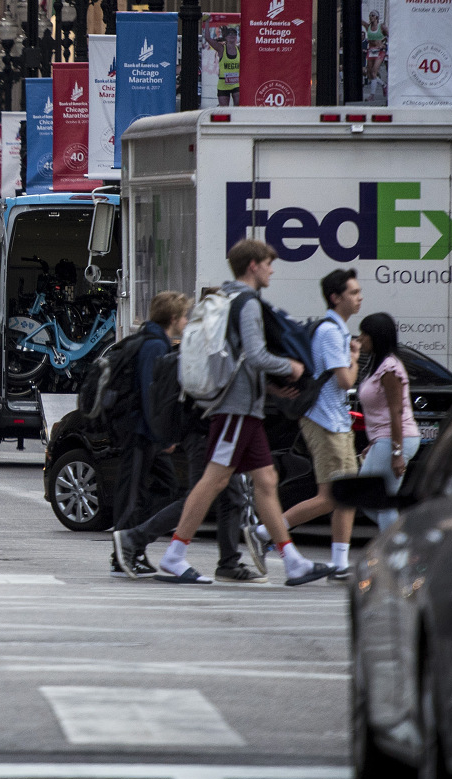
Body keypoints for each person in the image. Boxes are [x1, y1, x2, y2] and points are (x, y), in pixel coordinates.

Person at [151, 239, 332, 588]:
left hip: (245, 408)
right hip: (235, 409)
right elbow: (257, 355)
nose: (271, 270)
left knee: (266, 482)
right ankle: (174, 555)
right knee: (215, 480)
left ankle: (292, 562)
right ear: (253, 266)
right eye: (268, 264)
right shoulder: (247, 303)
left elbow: (241, 358)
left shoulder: (228, 298)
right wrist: (291, 368)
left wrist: (269, 387)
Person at [255, 268, 363, 580]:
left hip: (337, 421)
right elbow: (345, 380)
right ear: (335, 297)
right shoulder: (330, 332)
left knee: (346, 495)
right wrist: (354, 358)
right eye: (353, 293)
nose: (359, 298)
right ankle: (265, 532)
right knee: (332, 496)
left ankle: (340, 564)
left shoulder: (337, 330)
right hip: (325, 421)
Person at [107, 292, 189, 577]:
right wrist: (163, 437)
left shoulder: (157, 342)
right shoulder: (154, 346)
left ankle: (135, 546)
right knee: (131, 496)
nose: (186, 321)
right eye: (184, 316)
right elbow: (150, 394)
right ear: (173, 319)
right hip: (140, 433)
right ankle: (122, 557)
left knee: (167, 490)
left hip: (147, 433)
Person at [356, 312, 419, 529]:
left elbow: (396, 412)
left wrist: (396, 453)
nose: (360, 339)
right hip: (382, 440)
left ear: (377, 337)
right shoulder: (378, 365)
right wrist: (374, 444)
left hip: (396, 439)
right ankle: (401, 536)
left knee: (383, 503)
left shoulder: (390, 368)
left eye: (365, 334)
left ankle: (393, 552)